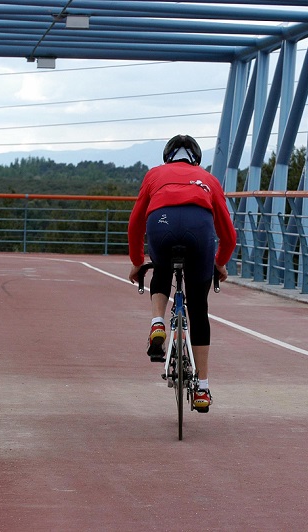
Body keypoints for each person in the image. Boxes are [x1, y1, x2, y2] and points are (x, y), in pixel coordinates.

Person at [128, 134, 237, 413]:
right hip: (198, 229)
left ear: (167, 157)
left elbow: (136, 222)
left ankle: (157, 323)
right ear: (196, 159)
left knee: (161, 269)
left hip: (161, 225)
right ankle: (202, 388)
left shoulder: (154, 175)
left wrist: (137, 261)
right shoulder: (208, 179)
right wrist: (220, 262)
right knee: (198, 307)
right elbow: (228, 234)